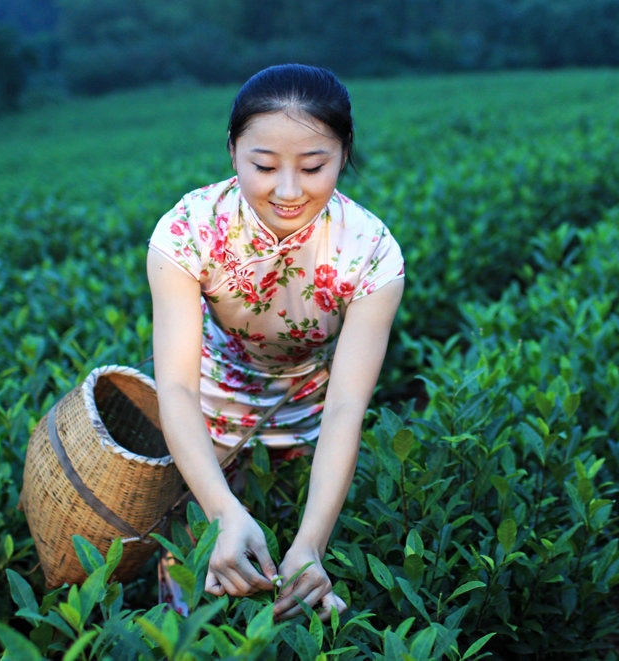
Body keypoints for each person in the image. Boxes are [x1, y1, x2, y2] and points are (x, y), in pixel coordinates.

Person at [146, 63, 404, 622]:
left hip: (311, 403)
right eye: (263, 165)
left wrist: (311, 545)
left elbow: (345, 408)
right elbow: (176, 385)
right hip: (208, 400)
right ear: (233, 151)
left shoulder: (371, 253)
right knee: (199, 569)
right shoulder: (188, 230)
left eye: (314, 166)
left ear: (343, 153)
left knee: (297, 572)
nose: (288, 190)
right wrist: (221, 510)